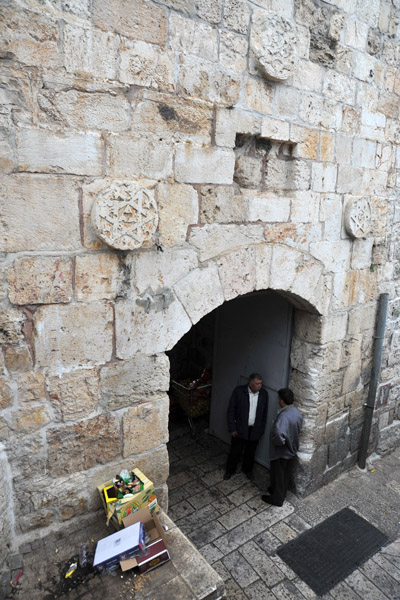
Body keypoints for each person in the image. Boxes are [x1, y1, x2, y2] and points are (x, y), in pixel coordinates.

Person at [223, 373, 269, 480]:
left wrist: (261, 430)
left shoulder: (264, 394)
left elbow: (264, 414)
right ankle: (230, 470)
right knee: (235, 451)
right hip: (239, 428)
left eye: (260, 383)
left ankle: (247, 470)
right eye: (257, 384)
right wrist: (232, 428)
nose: (259, 386)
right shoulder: (239, 392)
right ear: (250, 383)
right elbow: (231, 410)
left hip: (255, 430)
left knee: (250, 452)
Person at [262, 387, 302, 507]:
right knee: (285, 475)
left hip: (281, 452)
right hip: (291, 451)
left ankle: (277, 499)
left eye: (279, 398)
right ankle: (279, 492)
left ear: (282, 401)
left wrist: (278, 443)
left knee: (278, 475)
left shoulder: (283, 416)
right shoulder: (296, 412)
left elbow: (279, 434)